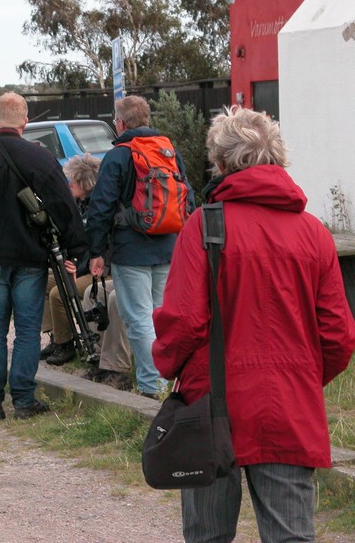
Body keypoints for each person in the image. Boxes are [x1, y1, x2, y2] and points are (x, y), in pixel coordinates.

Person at [152, 107, 355, 542]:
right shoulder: (314, 233)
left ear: (220, 163)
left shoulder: (202, 227)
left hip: (211, 405)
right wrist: (301, 377)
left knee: (208, 534)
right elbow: (338, 334)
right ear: (278, 158)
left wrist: (168, 366)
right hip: (289, 405)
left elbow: (183, 321)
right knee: (292, 537)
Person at [0, 92, 87, 423]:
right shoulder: (40, 158)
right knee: (26, 330)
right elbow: (65, 206)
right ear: (25, 122)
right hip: (30, 257)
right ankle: (24, 400)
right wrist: (76, 250)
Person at [85, 95, 194, 398]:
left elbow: (101, 207)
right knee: (160, 317)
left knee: (139, 320)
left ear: (119, 123)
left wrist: (96, 252)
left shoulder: (119, 155)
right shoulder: (169, 151)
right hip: (168, 247)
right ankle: (168, 383)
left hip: (131, 251)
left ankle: (152, 387)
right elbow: (189, 198)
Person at [40, 153, 101, 366]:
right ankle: (55, 336)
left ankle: (66, 345)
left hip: (97, 270)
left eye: (73, 179)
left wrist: (77, 266)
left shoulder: (97, 208)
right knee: (41, 283)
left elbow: (98, 248)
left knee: (59, 294)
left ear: (85, 181)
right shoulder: (81, 206)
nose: (69, 184)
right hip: (81, 265)